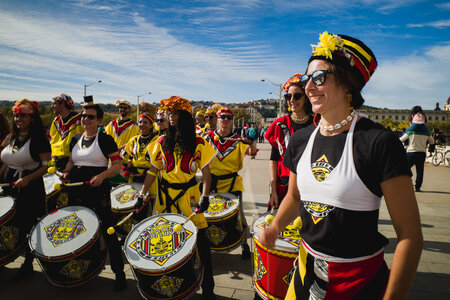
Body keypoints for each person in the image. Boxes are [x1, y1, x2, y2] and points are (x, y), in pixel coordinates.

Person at [258, 32, 422, 300]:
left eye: (319, 78)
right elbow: (296, 196)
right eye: (305, 79)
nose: (309, 87)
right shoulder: (300, 140)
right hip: (303, 272)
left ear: (348, 84)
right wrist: (275, 228)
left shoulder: (379, 142)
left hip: (358, 281)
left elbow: (410, 236)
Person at [139, 96, 217, 299]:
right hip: (165, 196)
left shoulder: (198, 141)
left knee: (201, 240)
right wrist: (142, 194)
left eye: (174, 113)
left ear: (184, 116)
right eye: (169, 113)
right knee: (166, 240)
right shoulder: (162, 140)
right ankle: (173, 285)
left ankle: (208, 286)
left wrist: (206, 196)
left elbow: (206, 174)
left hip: (190, 196)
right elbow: (152, 171)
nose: (170, 117)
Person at [61, 103, 127, 291]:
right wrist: (66, 172)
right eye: (83, 116)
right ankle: (83, 269)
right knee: (77, 231)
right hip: (76, 191)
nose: (85, 119)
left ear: (99, 120)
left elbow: (117, 164)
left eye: (90, 116)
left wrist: (102, 176)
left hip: (98, 191)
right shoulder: (74, 139)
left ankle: (119, 272)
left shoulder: (105, 139)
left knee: (108, 230)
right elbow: (72, 160)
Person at [0, 99, 51, 279]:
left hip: (30, 189)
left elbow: (45, 167)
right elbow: (7, 162)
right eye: (16, 115)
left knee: (28, 226)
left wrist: (27, 178)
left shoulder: (39, 139)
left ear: (32, 118)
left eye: (23, 115)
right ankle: (6, 257)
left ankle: (28, 263)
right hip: (10, 189)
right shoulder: (11, 137)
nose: (18, 119)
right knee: (9, 224)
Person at [204, 107, 258, 259]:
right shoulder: (207, 138)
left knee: (239, 215)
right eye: (223, 117)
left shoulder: (238, 140)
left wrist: (251, 142)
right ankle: (210, 243)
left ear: (232, 121)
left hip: (232, 184)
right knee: (208, 215)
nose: (225, 120)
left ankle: (244, 245)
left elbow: (252, 152)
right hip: (211, 183)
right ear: (217, 118)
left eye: (229, 117)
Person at [264, 73, 314, 209]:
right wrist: (273, 191)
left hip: (310, 189)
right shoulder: (279, 125)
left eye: (297, 96)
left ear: (307, 99)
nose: (292, 100)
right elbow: (273, 160)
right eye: (288, 96)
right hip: (283, 188)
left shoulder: (318, 124)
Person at [123, 109, 159, 213]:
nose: (142, 125)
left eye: (145, 122)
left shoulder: (157, 140)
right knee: (134, 203)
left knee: (150, 205)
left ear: (151, 125)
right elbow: (129, 155)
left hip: (151, 176)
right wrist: (129, 162)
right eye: (140, 122)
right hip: (134, 177)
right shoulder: (133, 140)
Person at [400, 111, 434, 192]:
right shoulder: (426, 132)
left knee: (405, 168)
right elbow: (432, 142)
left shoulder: (410, 131)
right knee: (420, 171)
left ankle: (408, 181)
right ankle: (418, 187)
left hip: (411, 153)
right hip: (421, 153)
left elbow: (401, 139)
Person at [49, 94, 83, 172]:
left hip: (74, 164)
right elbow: (52, 140)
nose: (52, 106)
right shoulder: (56, 121)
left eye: (54, 103)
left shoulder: (79, 120)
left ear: (63, 104)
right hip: (57, 163)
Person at [105, 99, 139, 165]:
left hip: (125, 161)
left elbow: (134, 142)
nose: (122, 109)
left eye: (125, 108)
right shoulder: (111, 124)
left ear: (129, 110)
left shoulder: (134, 126)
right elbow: (105, 139)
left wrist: (119, 149)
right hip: (111, 160)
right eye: (120, 107)